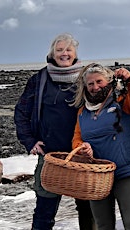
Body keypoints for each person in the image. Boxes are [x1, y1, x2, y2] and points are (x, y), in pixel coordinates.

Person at [14, 33, 95, 230]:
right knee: (44, 211)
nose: (64, 54)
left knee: (87, 211)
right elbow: (21, 112)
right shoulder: (39, 79)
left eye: (68, 50)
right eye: (59, 50)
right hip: (50, 156)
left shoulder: (87, 78)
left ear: (75, 54)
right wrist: (29, 141)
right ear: (52, 53)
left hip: (81, 155)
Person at [71, 63, 130, 230]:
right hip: (97, 176)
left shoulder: (122, 101)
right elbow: (77, 140)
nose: (95, 87)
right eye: (90, 84)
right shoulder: (82, 113)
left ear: (109, 81)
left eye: (99, 81)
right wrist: (82, 148)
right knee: (103, 225)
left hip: (127, 172)